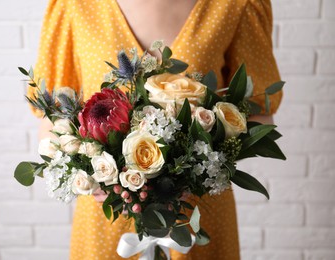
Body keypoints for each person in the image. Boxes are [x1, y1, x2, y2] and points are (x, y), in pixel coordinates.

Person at [28, 0, 283, 259]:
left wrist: (196, 176)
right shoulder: (74, 5)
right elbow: (52, 120)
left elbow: (259, 114)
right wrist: (94, 178)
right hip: (106, 216)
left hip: (197, 219)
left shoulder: (235, 4)